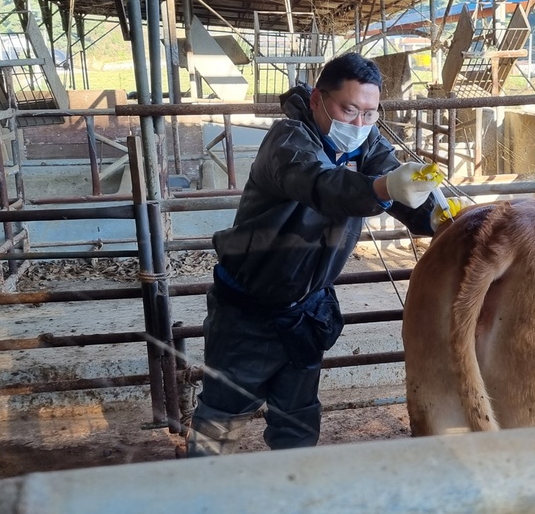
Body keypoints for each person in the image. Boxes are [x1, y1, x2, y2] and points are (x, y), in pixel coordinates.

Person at [187, 52, 445, 456]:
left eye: (370, 113)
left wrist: (442, 217)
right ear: (317, 101)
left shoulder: (367, 141)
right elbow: (322, 185)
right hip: (247, 311)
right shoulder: (288, 140)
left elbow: (397, 187)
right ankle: (196, 503)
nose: (359, 124)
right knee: (221, 417)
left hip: (307, 309)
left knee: (298, 419)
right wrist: (383, 189)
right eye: (348, 109)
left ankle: (295, 500)